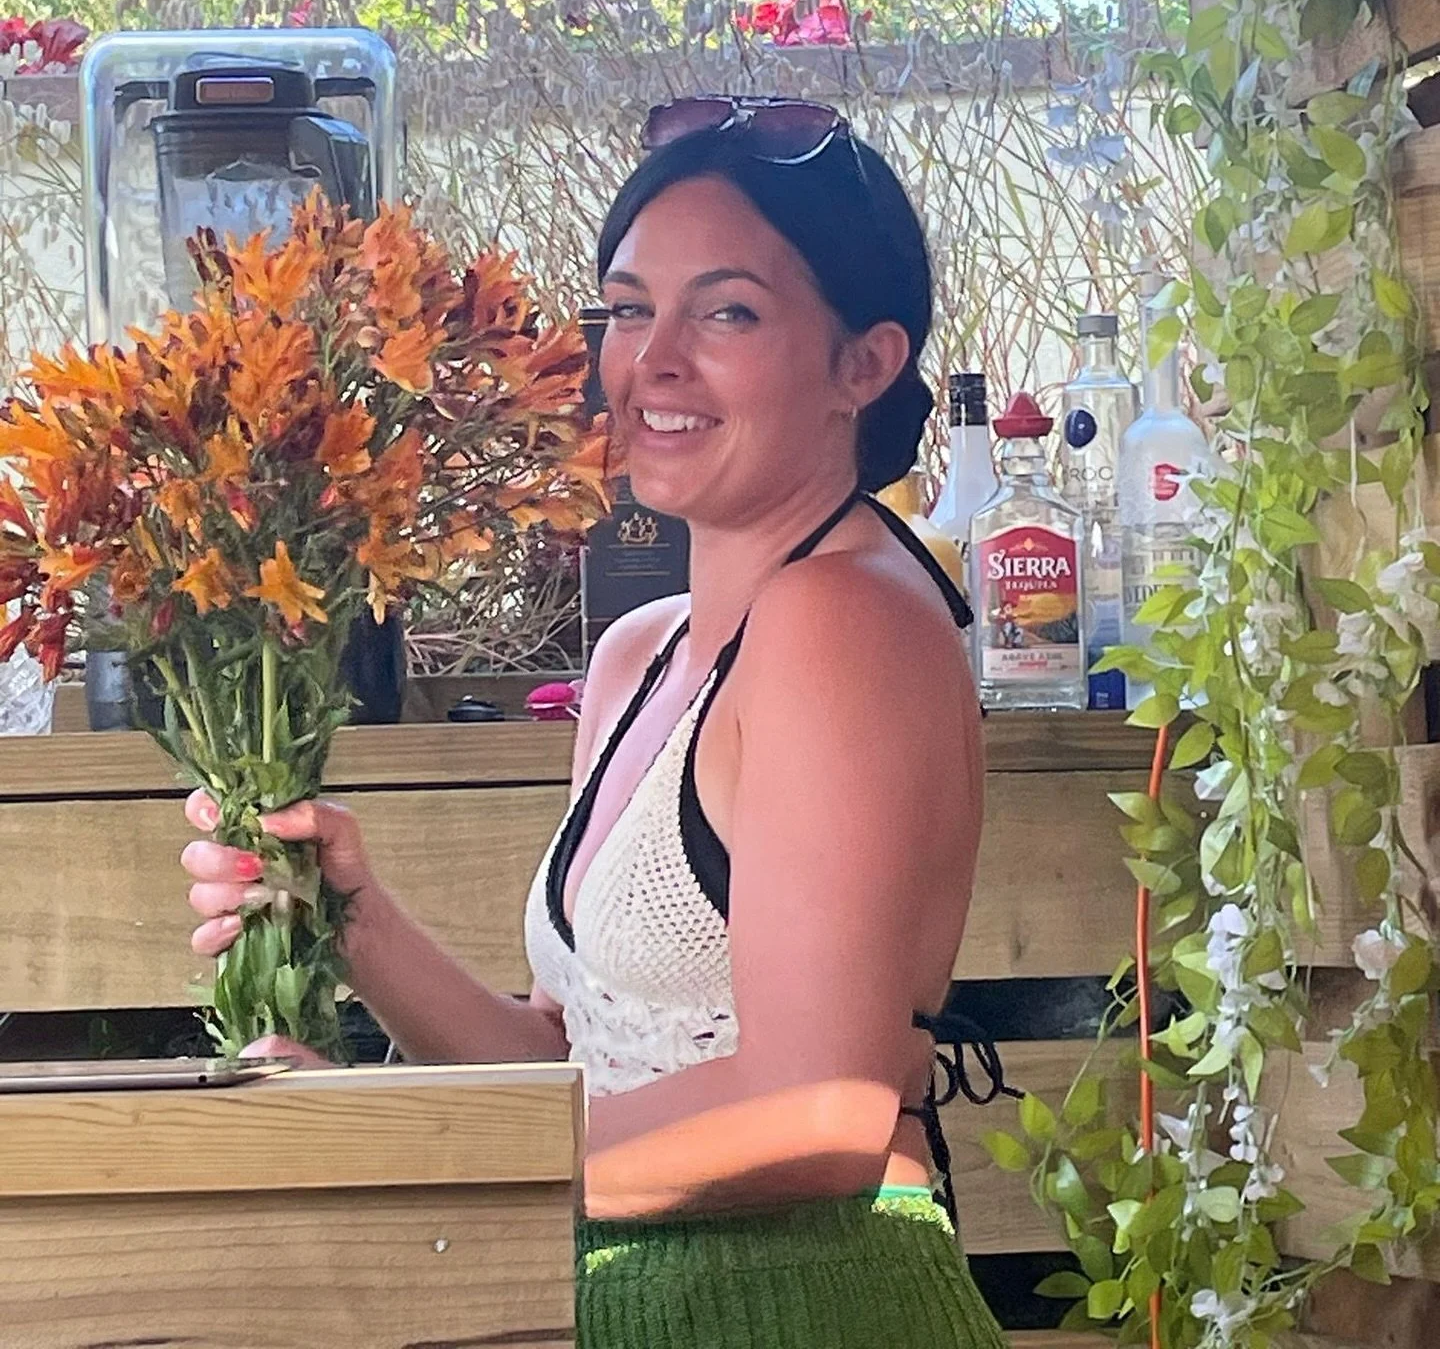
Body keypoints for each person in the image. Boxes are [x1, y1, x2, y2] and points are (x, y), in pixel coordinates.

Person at [181, 95, 1008, 1349]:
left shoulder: (847, 623)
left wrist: (402, 1142)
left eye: (726, 311)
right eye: (629, 310)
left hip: (803, 1310)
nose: (651, 361)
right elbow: (578, 1059)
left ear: (865, 362)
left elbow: (826, 1110)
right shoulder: (641, 653)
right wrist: (345, 915)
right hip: (631, 1304)